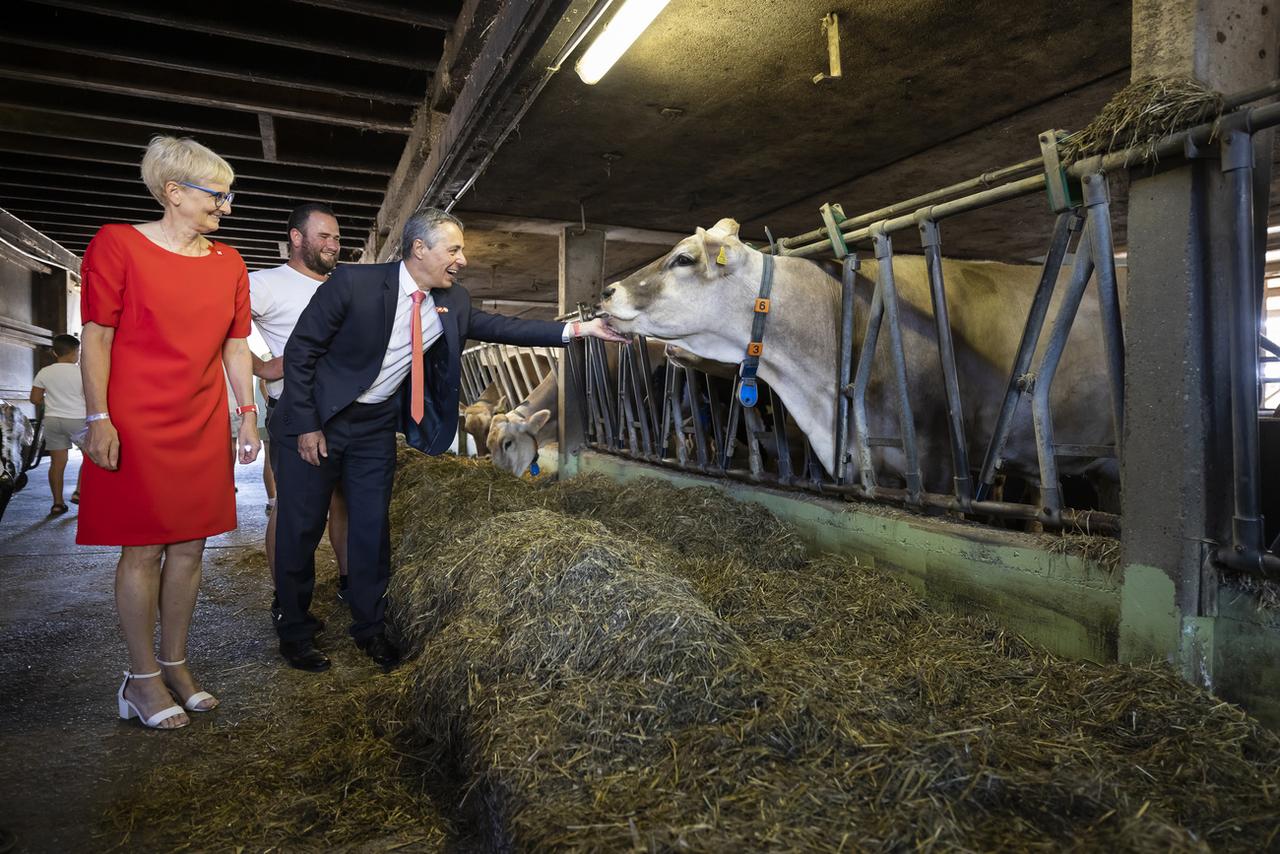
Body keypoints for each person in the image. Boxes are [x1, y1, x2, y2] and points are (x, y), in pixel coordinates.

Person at [270, 208, 625, 672]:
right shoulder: (353, 284)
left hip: (375, 428)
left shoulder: (451, 300)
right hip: (320, 419)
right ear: (420, 249)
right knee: (301, 526)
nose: (463, 259)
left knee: (372, 528)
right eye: (454, 249)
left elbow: (501, 327)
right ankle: (294, 629)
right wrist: (307, 424)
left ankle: (370, 628)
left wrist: (580, 329)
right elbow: (300, 352)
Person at [78, 135, 261, 730]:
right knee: (144, 546)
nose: (226, 208)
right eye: (218, 195)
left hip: (202, 417)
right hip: (135, 418)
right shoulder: (118, 245)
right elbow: (97, 337)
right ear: (173, 192)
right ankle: (140, 678)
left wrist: (247, 412)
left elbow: (237, 345)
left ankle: (176, 663)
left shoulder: (229, 262)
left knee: (191, 546)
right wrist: (97, 417)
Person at [249, 203, 349, 615]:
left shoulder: (342, 284)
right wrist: (262, 366)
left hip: (345, 409)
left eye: (337, 238)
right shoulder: (264, 283)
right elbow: (219, 331)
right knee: (292, 508)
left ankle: (349, 584)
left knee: (344, 502)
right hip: (297, 409)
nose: (333, 245)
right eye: (324, 236)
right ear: (296, 238)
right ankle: (286, 599)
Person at [30, 333, 86, 515]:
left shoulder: (44, 372)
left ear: (55, 353)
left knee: (57, 463)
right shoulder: (83, 372)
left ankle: (57, 503)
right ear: (76, 352)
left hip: (53, 421)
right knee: (91, 459)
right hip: (78, 420)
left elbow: (35, 399)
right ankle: (79, 492)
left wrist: (53, 400)